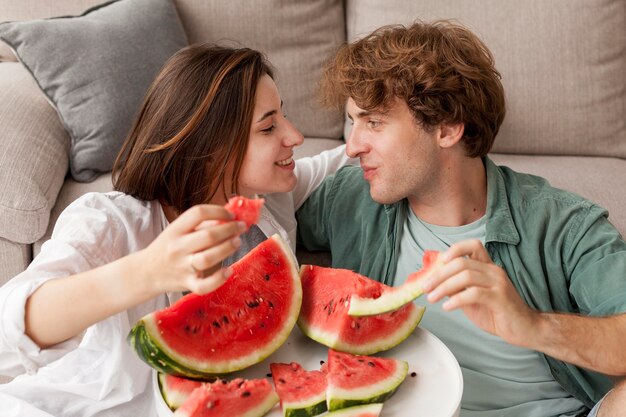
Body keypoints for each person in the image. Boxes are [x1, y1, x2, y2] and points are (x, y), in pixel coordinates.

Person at [296, 20, 626, 417]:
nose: (351, 147)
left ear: (448, 128)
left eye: (374, 122)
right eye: (353, 122)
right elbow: (254, 213)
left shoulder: (563, 224)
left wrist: (532, 325)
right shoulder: (348, 199)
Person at [0, 44, 351, 416]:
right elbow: (8, 336)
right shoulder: (110, 222)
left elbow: (352, 153)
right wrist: (147, 271)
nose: (295, 136)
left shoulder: (268, 199)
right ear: (209, 146)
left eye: (285, 115)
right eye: (268, 126)